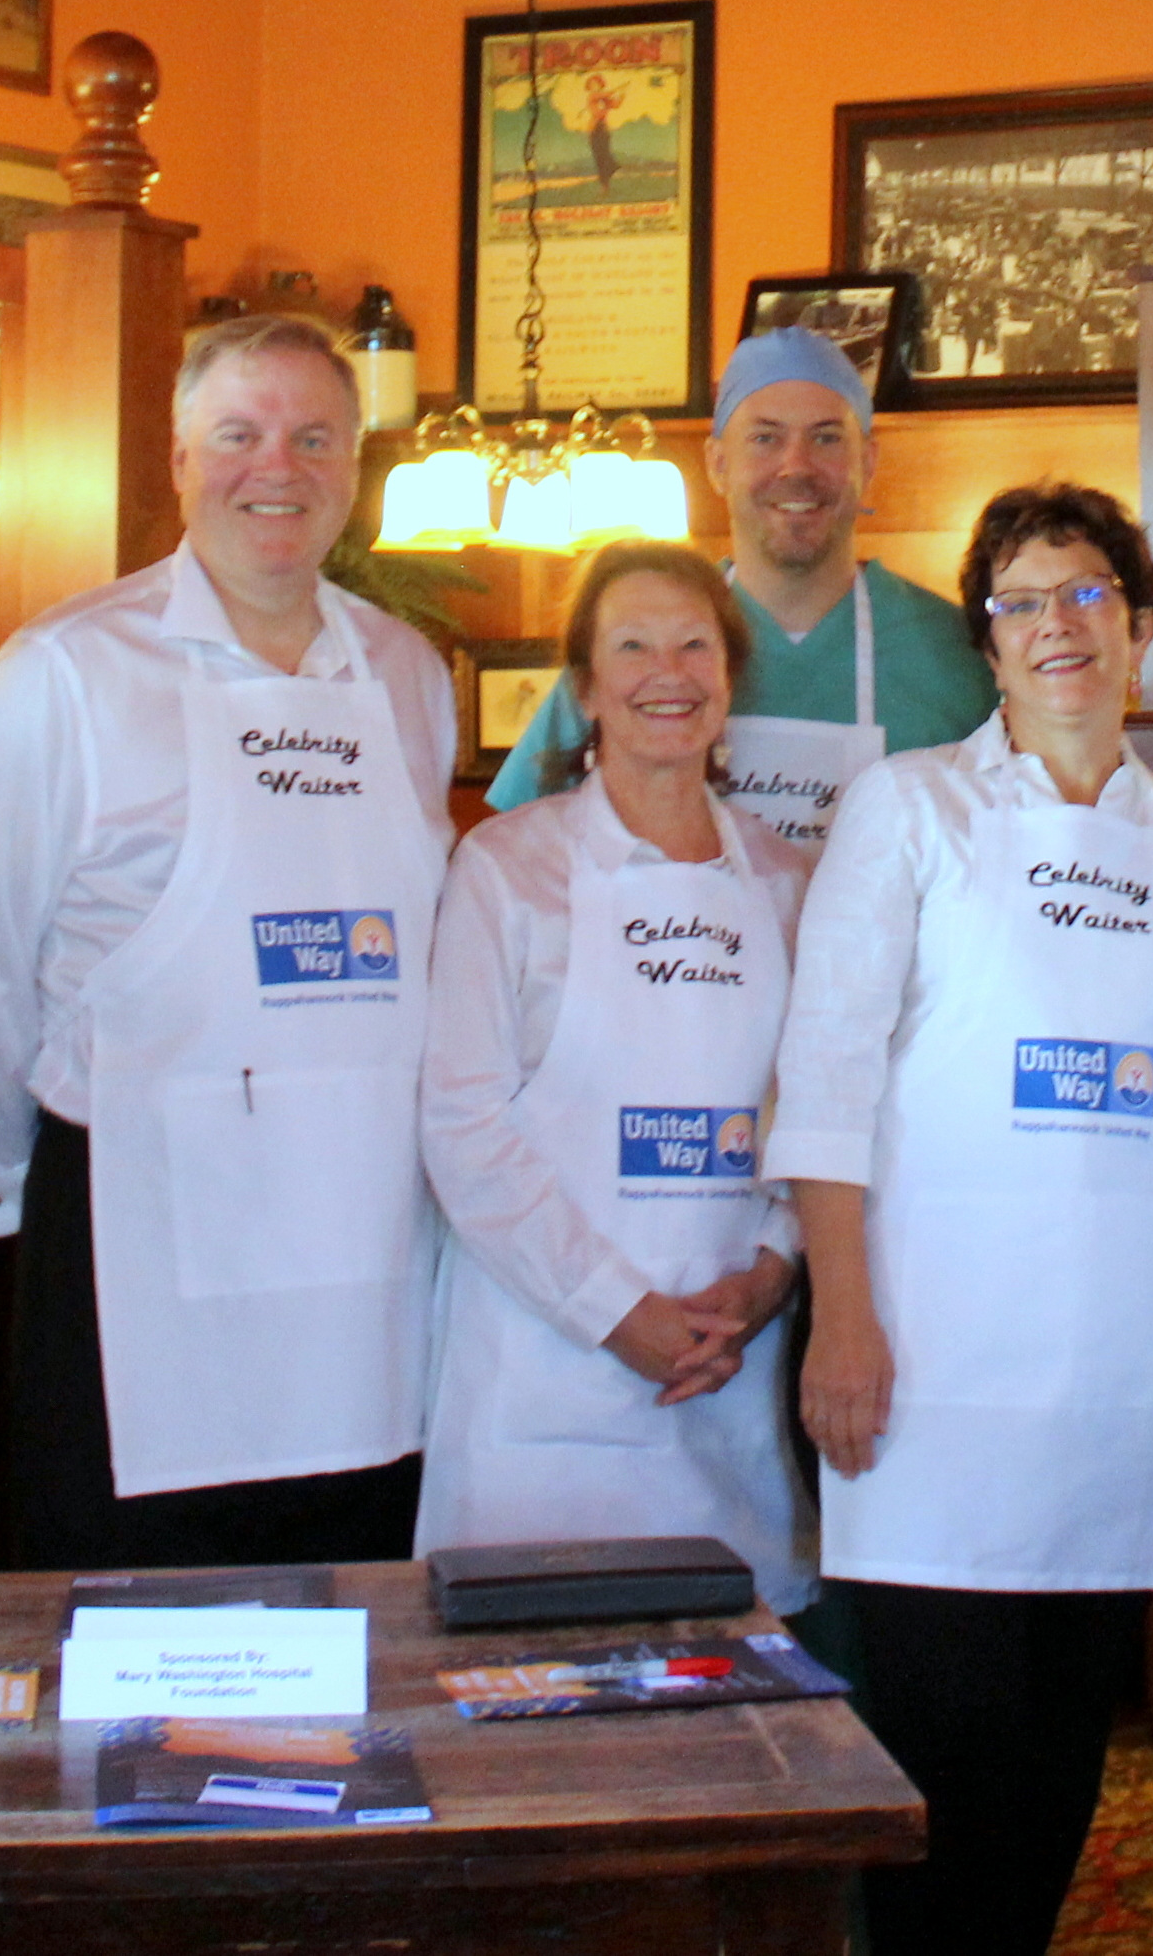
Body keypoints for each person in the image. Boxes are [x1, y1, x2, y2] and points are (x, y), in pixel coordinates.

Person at [775, 480, 1153, 1956]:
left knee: (1061, 1767)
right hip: (937, 1374)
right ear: (988, 647)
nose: (1058, 626)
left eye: (1088, 595)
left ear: (1143, 627)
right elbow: (827, 1070)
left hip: (1123, 1376)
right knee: (938, 1772)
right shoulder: (908, 806)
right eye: (1022, 603)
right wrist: (842, 1318)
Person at [0, 312, 459, 1568]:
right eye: (240, 434)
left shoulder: (407, 672)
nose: (280, 466)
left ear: (356, 466)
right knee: (138, 1651)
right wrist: (31, 1175)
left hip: (366, 1248)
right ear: (176, 459)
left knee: (355, 1627)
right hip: (135, 1239)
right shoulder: (64, 675)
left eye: (316, 436)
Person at [413, 541, 812, 1604]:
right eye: (631, 646)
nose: (666, 673)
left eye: (693, 646)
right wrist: (614, 1310)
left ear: (729, 682)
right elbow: (464, 1126)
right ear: (586, 687)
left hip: (725, 1379)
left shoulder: (788, 881)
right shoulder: (505, 866)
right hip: (540, 1389)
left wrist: (768, 1276)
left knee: (728, 1723)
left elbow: (823, 1108)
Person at [486, 326, 995, 844]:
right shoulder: (642, 648)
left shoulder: (957, 652)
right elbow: (517, 843)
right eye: (764, 438)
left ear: (867, 462)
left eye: (826, 437)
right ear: (718, 464)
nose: (796, 465)